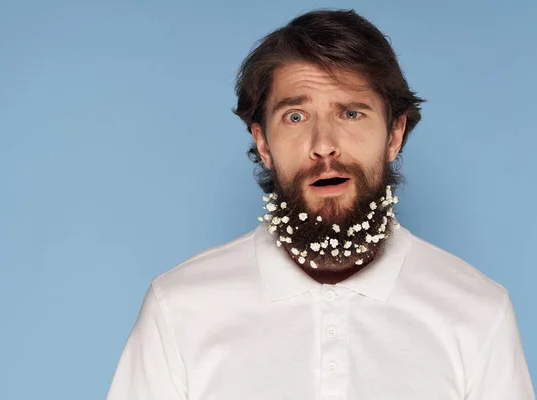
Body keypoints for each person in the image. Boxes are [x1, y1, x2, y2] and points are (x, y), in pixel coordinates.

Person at [106, 9, 534, 399]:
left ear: (394, 134)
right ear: (263, 142)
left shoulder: (478, 311)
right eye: (296, 116)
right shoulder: (179, 307)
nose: (323, 146)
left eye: (351, 113)